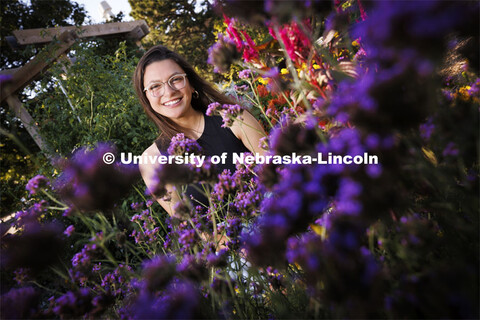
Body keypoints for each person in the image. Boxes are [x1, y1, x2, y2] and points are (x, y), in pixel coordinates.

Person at [133, 45, 266, 216]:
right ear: (146, 98)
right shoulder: (152, 161)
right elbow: (189, 225)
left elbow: (278, 173)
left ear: (191, 84)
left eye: (175, 79)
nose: (169, 92)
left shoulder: (234, 119)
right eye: (155, 87)